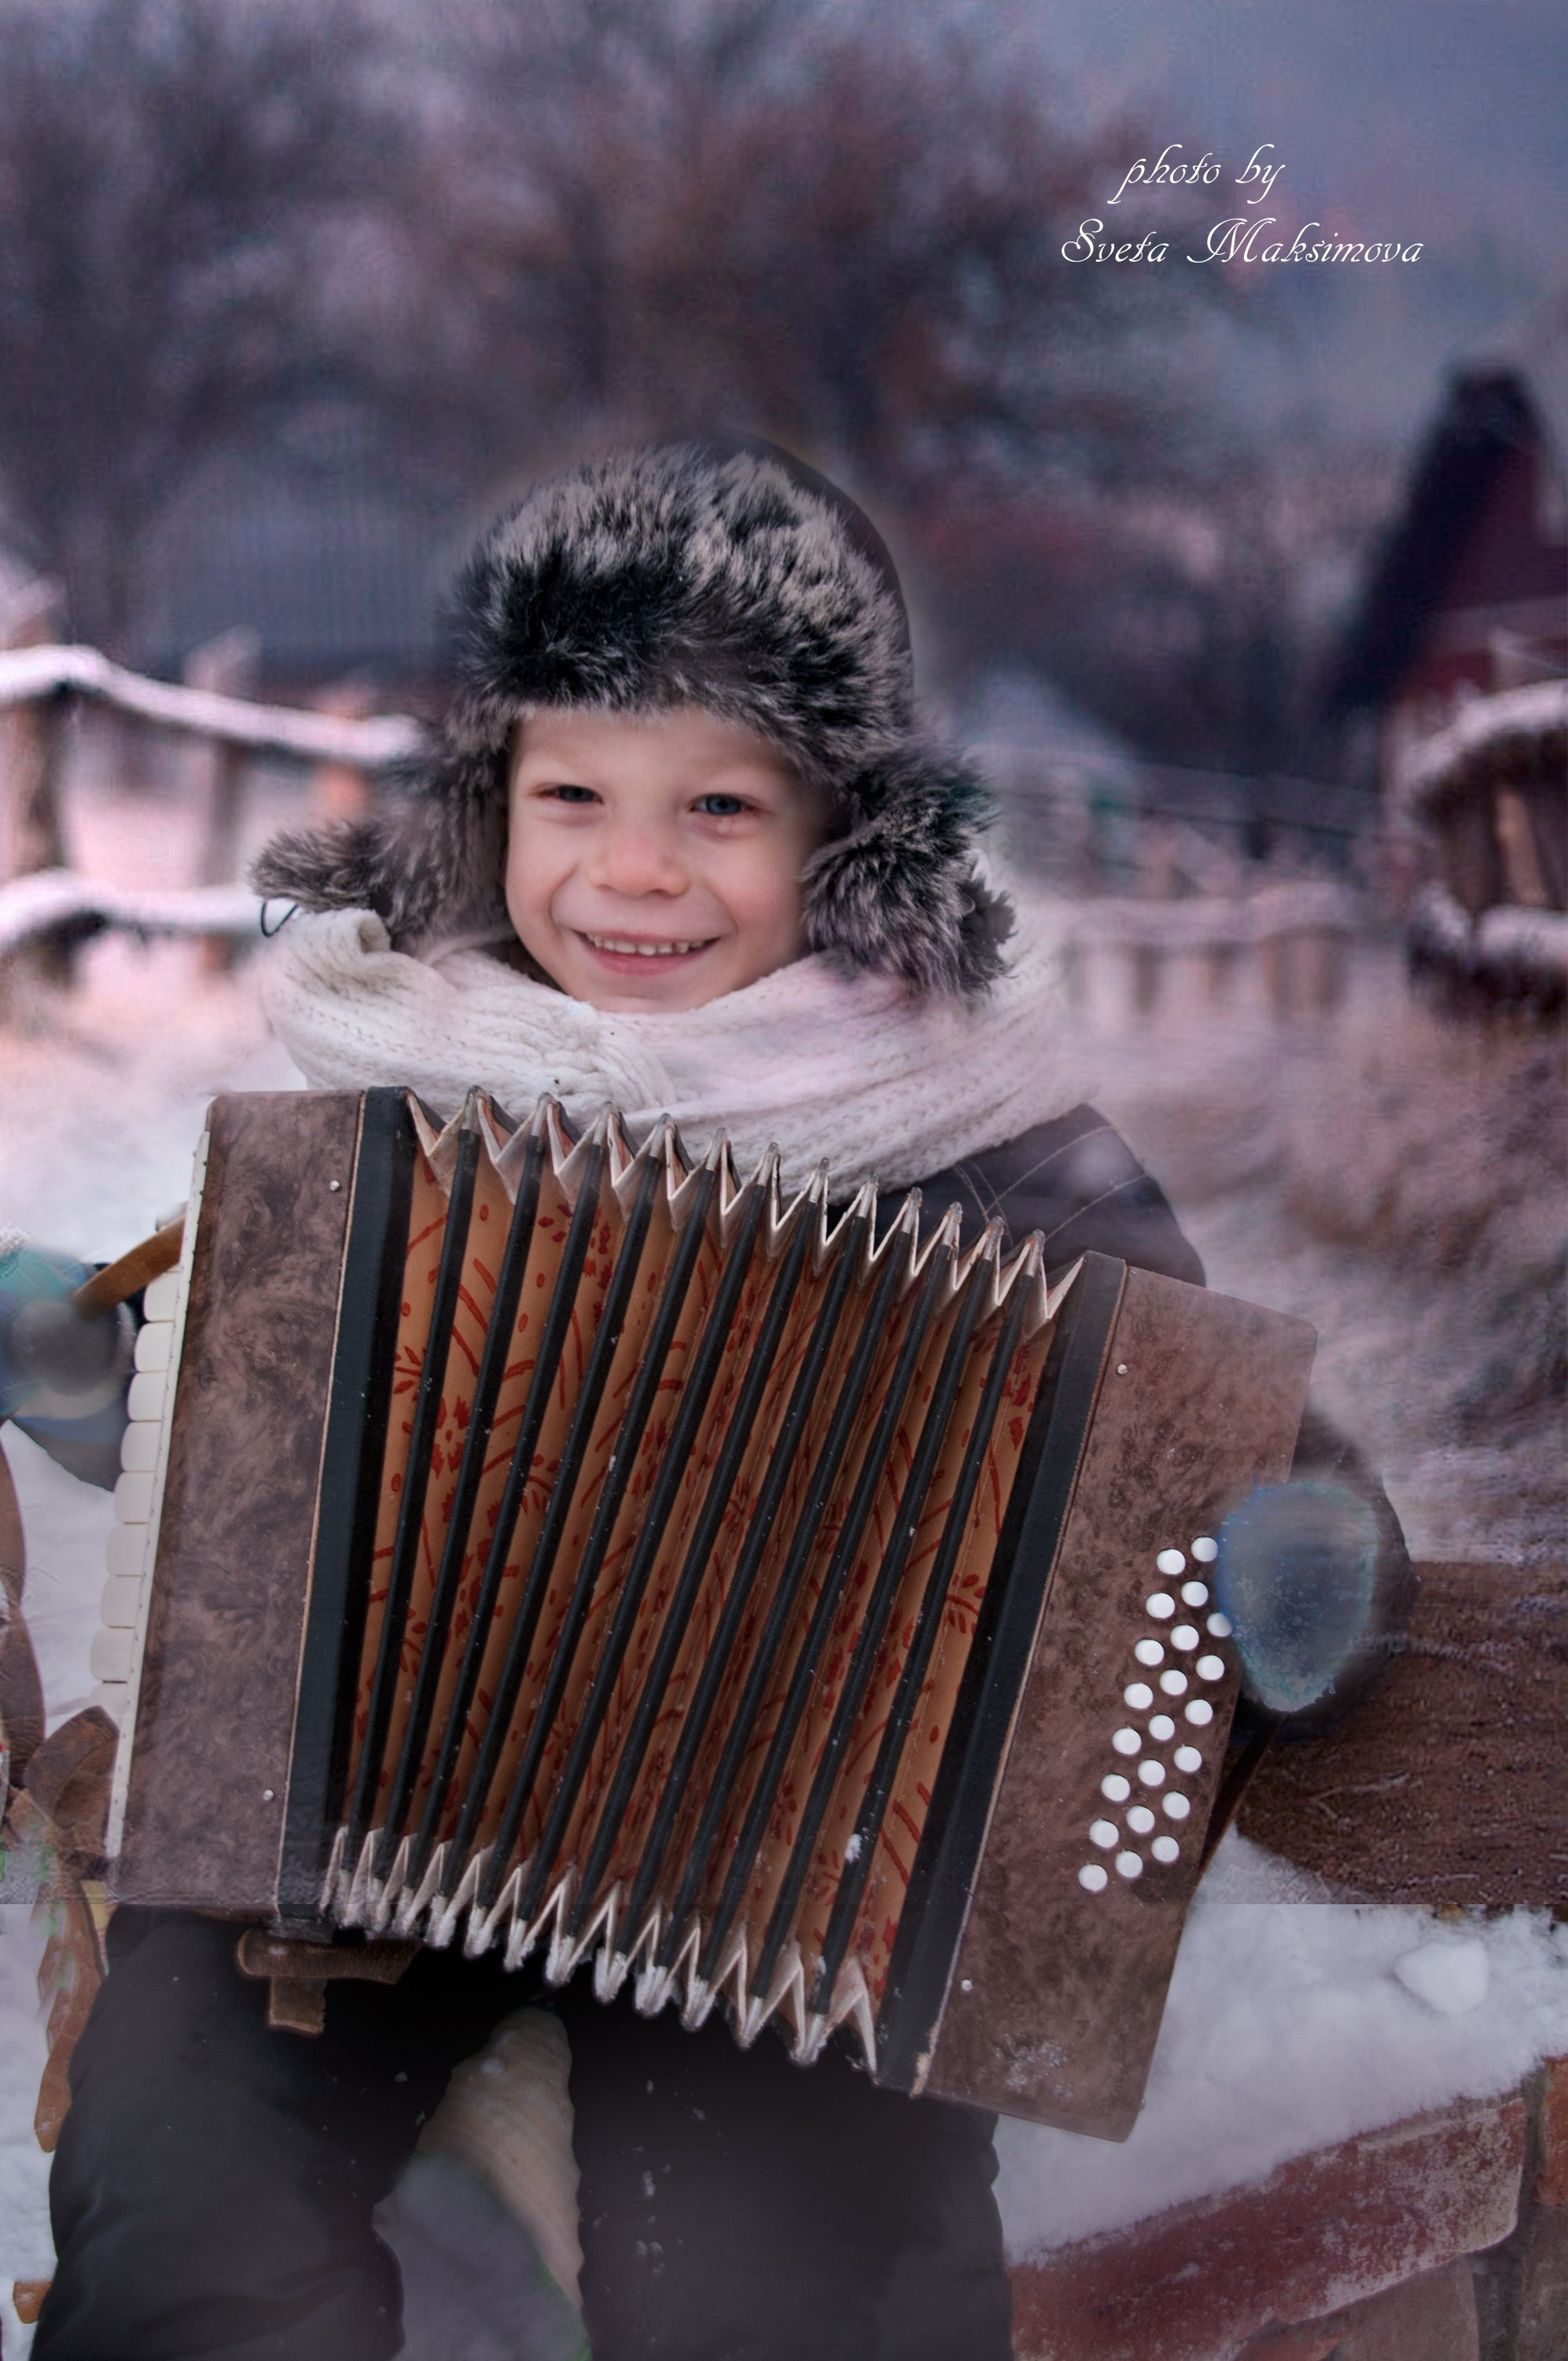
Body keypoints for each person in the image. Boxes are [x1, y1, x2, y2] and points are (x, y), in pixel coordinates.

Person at [25, 435, 1408, 2360]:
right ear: (485, 803)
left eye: (722, 806)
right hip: (343, 1807)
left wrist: (1300, 1545)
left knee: (800, 2272)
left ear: (843, 832)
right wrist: (114, 1366)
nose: (636, 868)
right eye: (573, 789)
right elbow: (262, 1407)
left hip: (797, 1877)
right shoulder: (396, 1091)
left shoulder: (979, 1146)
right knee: (188, 2189)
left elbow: (1204, 1430)